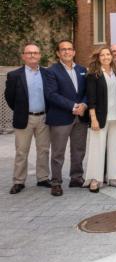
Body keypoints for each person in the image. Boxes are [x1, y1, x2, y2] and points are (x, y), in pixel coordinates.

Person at [5, 44, 51, 194]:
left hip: (43, 118)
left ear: (40, 55)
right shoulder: (14, 75)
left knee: (43, 150)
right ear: (23, 56)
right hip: (24, 118)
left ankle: (43, 178)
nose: (32, 55)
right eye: (29, 53)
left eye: (35, 53)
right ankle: (19, 181)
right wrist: (21, 111)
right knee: (21, 152)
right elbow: (9, 98)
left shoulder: (47, 73)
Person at [45, 40, 88, 197]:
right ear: (58, 53)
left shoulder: (82, 70)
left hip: (80, 118)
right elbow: (51, 95)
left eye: (70, 49)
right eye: (63, 50)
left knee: (79, 150)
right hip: (61, 117)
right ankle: (56, 182)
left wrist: (83, 104)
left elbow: (87, 91)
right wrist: (73, 106)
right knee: (58, 152)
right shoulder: (51, 71)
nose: (67, 52)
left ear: (74, 52)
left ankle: (76, 178)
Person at [84, 47, 116, 192]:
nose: (106, 57)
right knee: (97, 148)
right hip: (100, 117)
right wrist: (93, 118)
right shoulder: (93, 75)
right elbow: (91, 99)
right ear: (98, 57)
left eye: (108, 54)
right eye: (103, 55)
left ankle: (114, 177)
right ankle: (95, 179)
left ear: (112, 57)